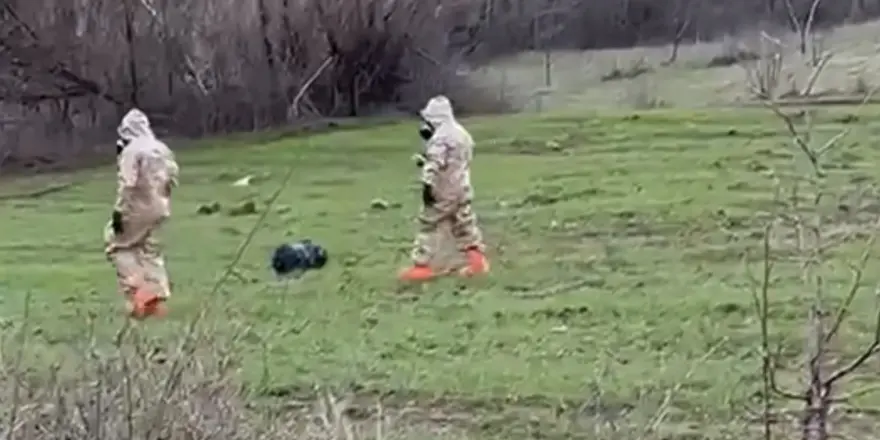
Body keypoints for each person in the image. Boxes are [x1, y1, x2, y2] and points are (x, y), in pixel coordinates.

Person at [399, 95, 489, 282]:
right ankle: (477, 261)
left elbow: (435, 163)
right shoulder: (462, 134)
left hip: (443, 189)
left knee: (429, 225)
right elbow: (456, 161)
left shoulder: (440, 138)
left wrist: (427, 185)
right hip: (462, 186)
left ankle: (422, 266)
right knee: (464, 222)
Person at [104, 108, 179, 318]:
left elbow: (128, 184)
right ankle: (158, 294)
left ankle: (139, 292)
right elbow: (173, 178)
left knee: (118, 245)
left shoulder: (132, 151)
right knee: (149, 249)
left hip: (137, 206)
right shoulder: (161, 148)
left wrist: (119, 212)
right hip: (160, 206)